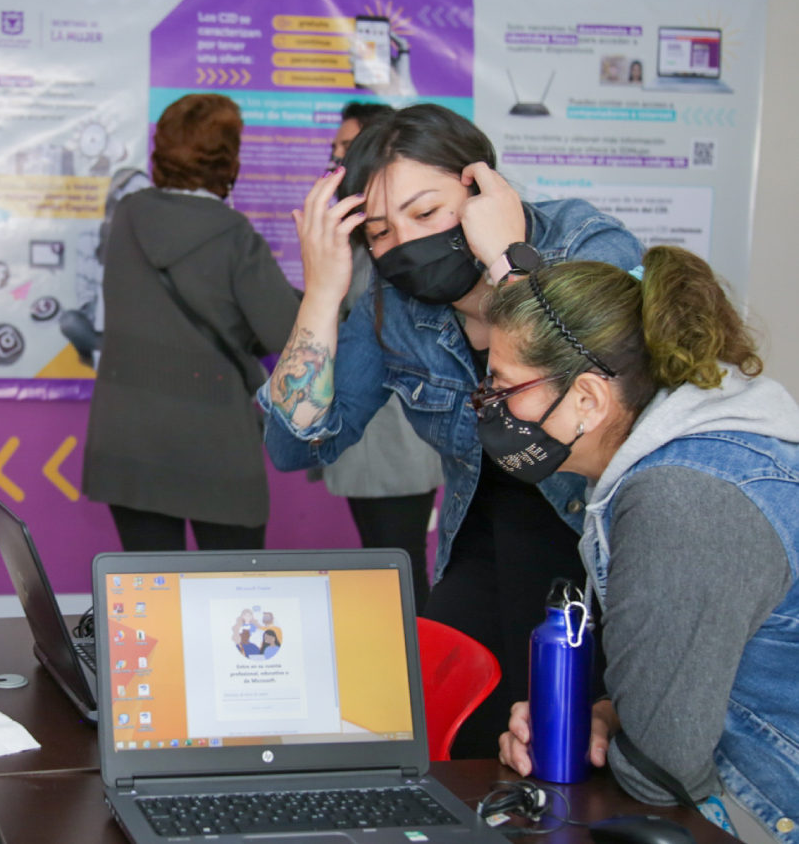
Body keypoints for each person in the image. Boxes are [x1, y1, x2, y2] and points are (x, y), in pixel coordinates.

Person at [260, 104, 643, 757]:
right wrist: (322, 294)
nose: (403, 242)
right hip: (484, 544)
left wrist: (503, 259)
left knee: (582, 756)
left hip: (600, 546)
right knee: (441, 737)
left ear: (478, 187)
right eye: (378, 229)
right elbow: (294, 444)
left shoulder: (583, 242)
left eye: (425, 212)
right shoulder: (392, 306)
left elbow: (586, 392)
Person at [487, 247, 798, 844]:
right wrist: (604, 717)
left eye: (504, 385)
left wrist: (605, 742)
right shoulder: (704, 455)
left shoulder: (679, 501)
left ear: (588, 399)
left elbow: (665, 766)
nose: (490, 404)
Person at [83, 93, 300, 551]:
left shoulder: (127, 216)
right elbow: (288, 333)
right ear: (228, 158)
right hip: (213, 441)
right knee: (231, 594)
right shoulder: (235, 236)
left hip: (128, 438)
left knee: (151, 592)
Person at [318, 100, 443, 613]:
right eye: (335, 149)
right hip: (366, 434)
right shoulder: (351, 236)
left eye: (348, 148)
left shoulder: (393, 242)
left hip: (397, 437)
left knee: (399, 567)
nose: (337, 159)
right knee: (383, 563)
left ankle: (418, 679)